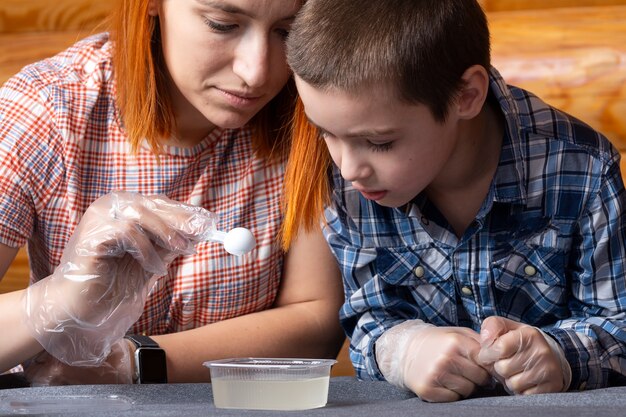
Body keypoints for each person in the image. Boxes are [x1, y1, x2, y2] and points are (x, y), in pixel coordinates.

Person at [281, 0, 626, 403]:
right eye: (325, 132)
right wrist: (405, 350)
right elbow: (367, 320)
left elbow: (618, 324)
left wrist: (562, 356)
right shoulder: (346, 176)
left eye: (380, 142)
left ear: (467, 95)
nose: (348, 168)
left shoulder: (581, 168)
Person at [0, 0, 345, 384]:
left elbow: (317, 324)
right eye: (222, 24)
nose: (257, 72)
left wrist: (131, 363)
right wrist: (61, 299)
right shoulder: (48, 108)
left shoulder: (316, 109)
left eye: (287, 31)